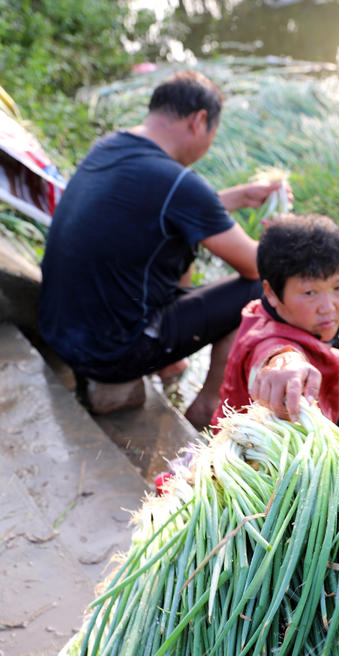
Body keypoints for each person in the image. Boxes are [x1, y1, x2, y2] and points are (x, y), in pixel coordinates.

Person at [38, 69, 287, 428]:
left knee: (169, 245)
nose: (210, 144)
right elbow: (255, 267)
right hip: (110, 353)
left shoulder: (109, 147)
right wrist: (279, 229)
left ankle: (170, 363)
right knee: (260, 291)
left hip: (60, 334)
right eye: (213, 134)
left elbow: (156, 210)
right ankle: (208, 403)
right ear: (200, 121)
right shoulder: (179, 183)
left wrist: (240, 197)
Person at [211, 214, 339, 429]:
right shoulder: (264, 339)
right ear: (271, 293)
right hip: (253, 454)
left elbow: (325, 354)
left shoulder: (295, 321)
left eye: (338, 287)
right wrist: (286, 365)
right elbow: (275, 353)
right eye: (310, 292)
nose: (328, 307)